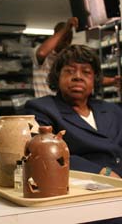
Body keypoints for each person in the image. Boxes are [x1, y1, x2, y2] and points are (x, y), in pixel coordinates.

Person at [25, 44, 122, 178]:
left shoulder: (112, 110)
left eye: (86, 72)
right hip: (87, 185)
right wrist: (103, 173)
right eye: (70, 71)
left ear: (95, 79)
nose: (78, 77)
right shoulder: (42, 109)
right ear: (57, 77)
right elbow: (45, 152)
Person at [32, 17, 121, 98]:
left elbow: (87, 78)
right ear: (56, 36)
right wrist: (67, 27)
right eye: (64, 38)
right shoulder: (41, 53)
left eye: (69, 39)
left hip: (62, 107)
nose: (67, 42)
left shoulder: (67, 59)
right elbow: (41, 53)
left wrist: (112, 80)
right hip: (45, 106)